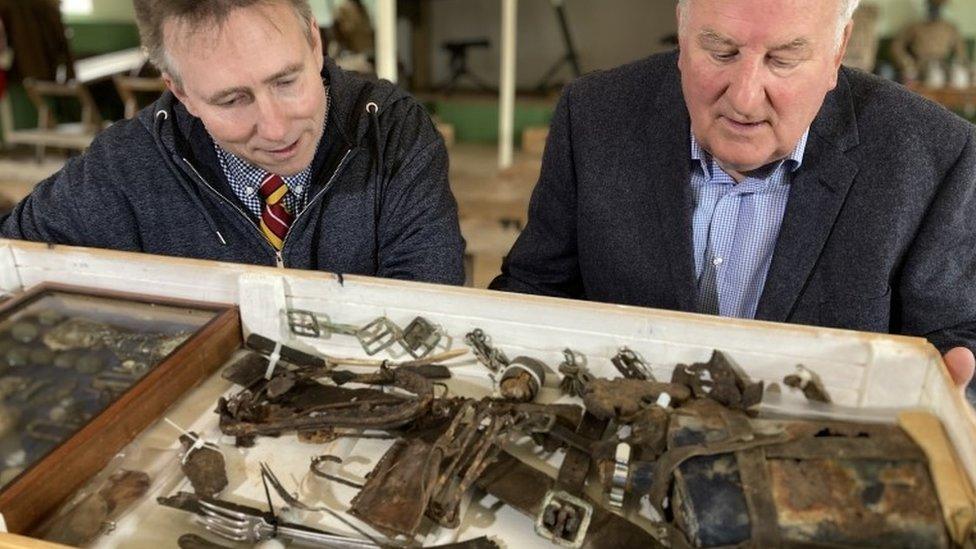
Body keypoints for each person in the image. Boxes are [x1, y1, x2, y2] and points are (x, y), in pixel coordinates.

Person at [491, 0, 976, 395]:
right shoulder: (594, 116)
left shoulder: (934, 157)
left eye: (784, 59)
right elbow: (534, 291)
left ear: (837, 51)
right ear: (682, 36)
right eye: (720, 50)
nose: (744, 98)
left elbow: (955, 345)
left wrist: (948, 396)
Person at [0, 0, 464, 285]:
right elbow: (11, 262)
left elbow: (427, 315)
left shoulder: (391, 133)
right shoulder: (125, 165)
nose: (277, 129)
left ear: (314, 43)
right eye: (231, 99)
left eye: (286, 81)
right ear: (180, 92)